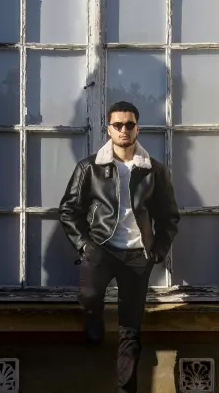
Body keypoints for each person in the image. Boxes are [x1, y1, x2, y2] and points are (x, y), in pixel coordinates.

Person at [59, 100, 180, 393]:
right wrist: (84, 246)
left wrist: (158, 251)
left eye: (129, 124)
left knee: (130, 328)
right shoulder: (89, 168)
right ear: (108, 129)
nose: (123, 130)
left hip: (138, 254)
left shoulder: (155, 171)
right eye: (118, 125)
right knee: (89, 295)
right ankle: (94, 317)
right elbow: (68, 210)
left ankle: (126, 389)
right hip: (101, 248)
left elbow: (169, 217)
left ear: (137, 128)